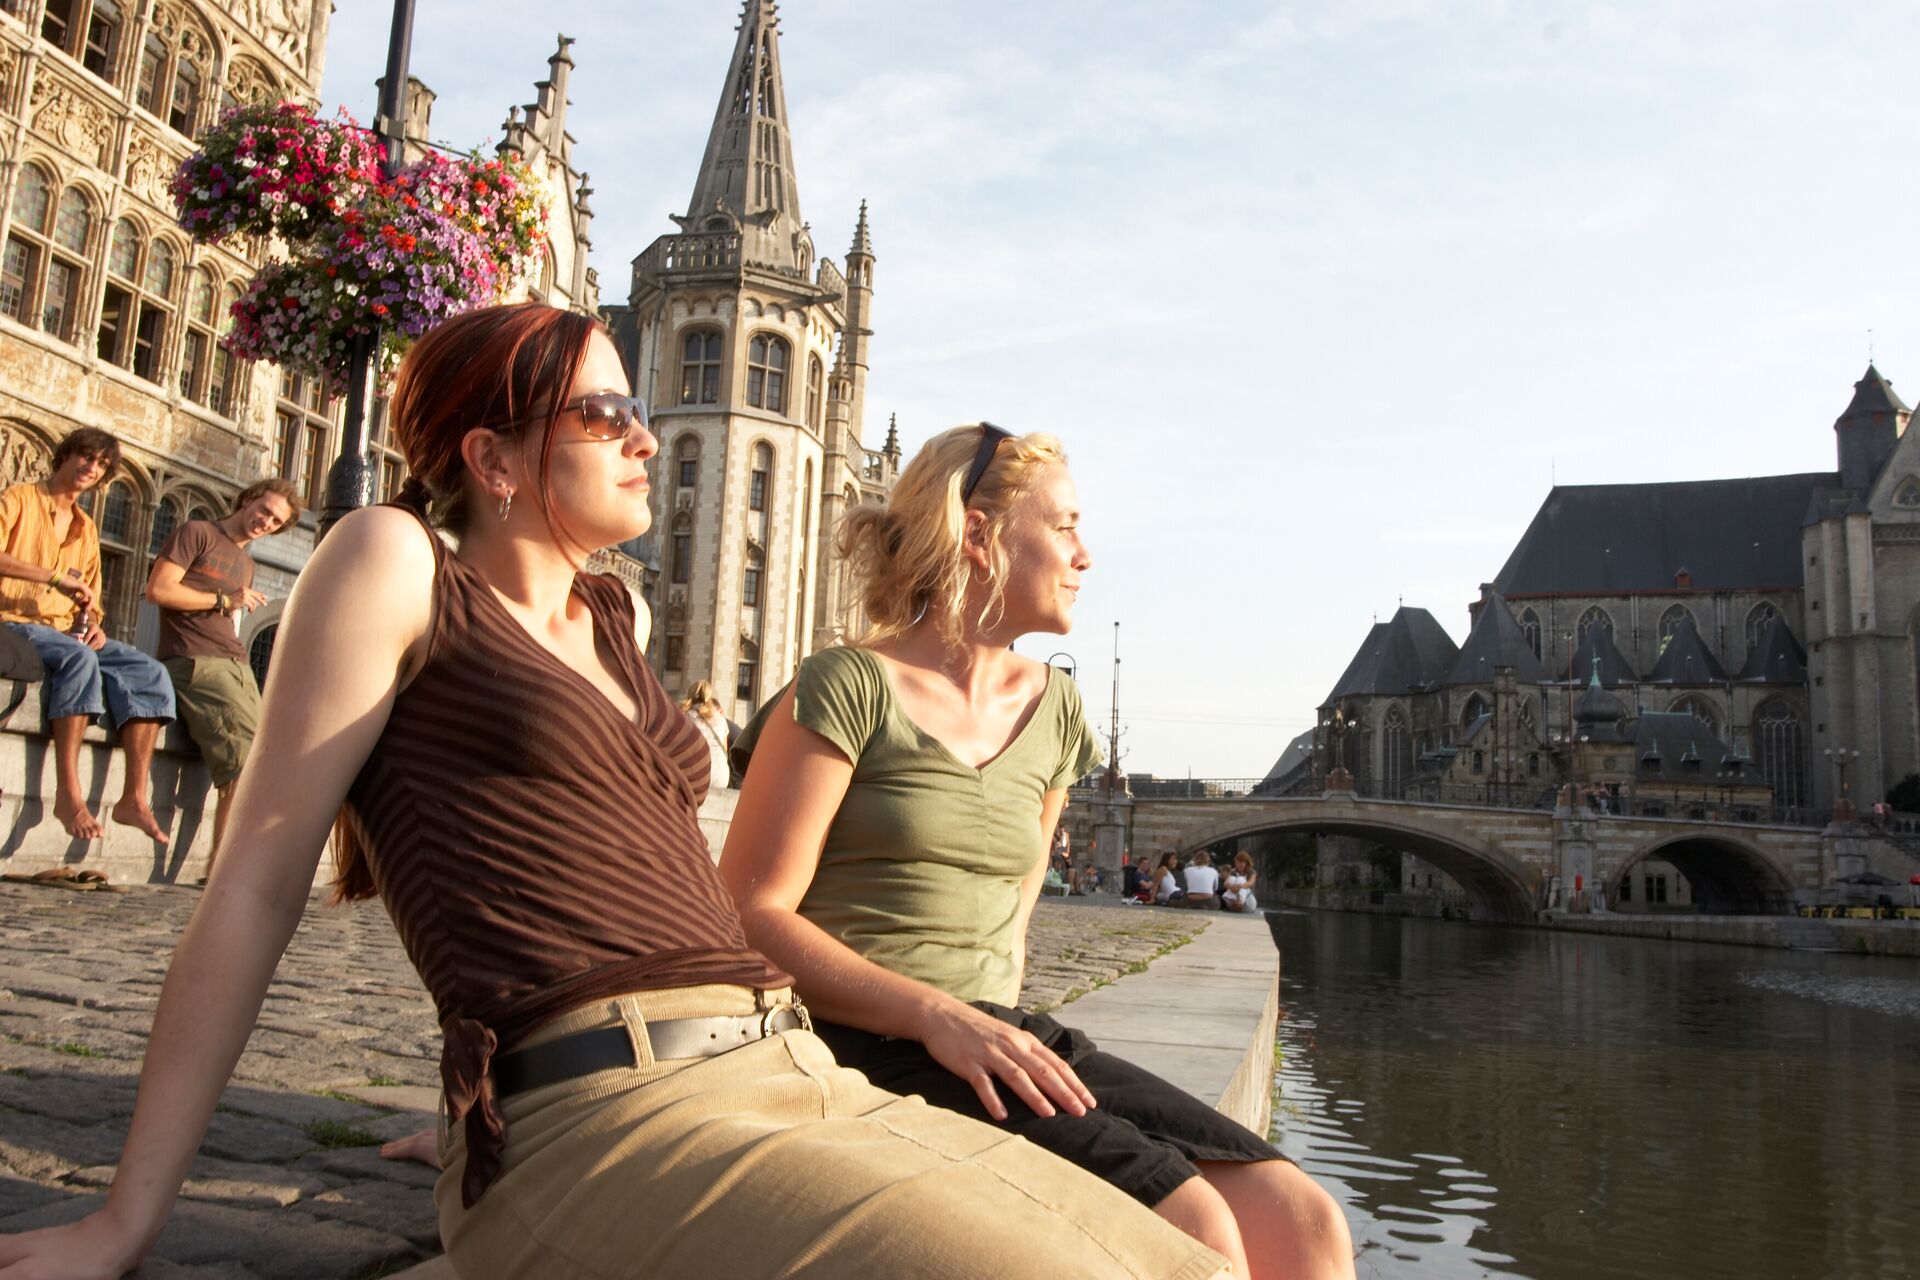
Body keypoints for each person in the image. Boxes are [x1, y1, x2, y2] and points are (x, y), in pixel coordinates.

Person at [0, 310, 1231, 1280]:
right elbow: (258, 884)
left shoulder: (614, 616)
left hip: (784, 1064)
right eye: (604, 411)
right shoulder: (396, 561)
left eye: (639, 407)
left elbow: (629, 863)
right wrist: (126, 1214)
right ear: (492, 457)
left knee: (1198, 1258)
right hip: (611, 1105)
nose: (646, 434)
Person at [724, 424, 1353, 1280]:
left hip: (992, 1038)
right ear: (977, 536)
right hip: (864, 1036)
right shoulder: (848, 685)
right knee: (1193, 1226)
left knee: (1305, 1222)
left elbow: (1013, 921)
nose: (1085, 554)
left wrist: (989, 1030)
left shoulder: (1058, 711)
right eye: (1063, 526)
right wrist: (935, 1016)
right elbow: (747, 917)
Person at [0, 428, 174, 846]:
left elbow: (92, 595)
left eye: (100, 465)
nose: (90, 468)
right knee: (77, 660)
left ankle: (133, 798)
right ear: (64, 456)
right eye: (85, 457)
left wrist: (95, 622)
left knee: (150, 673)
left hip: (64, 629)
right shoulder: (19, 499)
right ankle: (68, 794)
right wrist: (53, 578)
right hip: (13, 620)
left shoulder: (87, 527)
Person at [143, 478, 301, 876]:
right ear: (248, 500)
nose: (266, 522)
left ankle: (238, 861)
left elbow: (228, 615)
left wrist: (231, 608)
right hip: (196, 660)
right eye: (264, 510)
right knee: (243, 764)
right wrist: (222, 599)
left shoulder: (245, 563)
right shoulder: (198, 533)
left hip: (234, 661)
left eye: (276, 521)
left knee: (267, 759)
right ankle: (222, 869)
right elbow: (158, 590)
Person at [678, 678, 731, 793]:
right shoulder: (721, 719)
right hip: (721, 777)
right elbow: (725, 750)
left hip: (696, 775)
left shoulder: (685, 716)